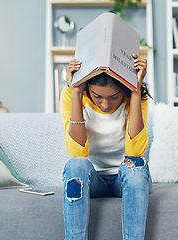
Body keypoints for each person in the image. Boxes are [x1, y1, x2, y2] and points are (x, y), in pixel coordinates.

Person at [60, 53, 152, 240]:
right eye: (97, 96)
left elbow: (135, 152)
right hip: (93, 180)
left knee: (136, 166)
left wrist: (134, 91)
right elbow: (78, 153)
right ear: (87, 88)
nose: (105, 104)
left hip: (127, 178)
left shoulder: (136, 96)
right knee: (75, 165)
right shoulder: (71, 95)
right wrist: (77, 93)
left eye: (114, 97)